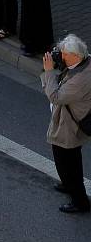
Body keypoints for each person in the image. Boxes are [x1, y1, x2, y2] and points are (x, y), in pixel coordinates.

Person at [42, 34, 91, 213]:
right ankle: (68, 184)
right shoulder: (85, 61)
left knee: (67, 161)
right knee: (68, 159)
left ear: (75, 56)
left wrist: (48, 72)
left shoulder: (80, 80)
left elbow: (56, 96)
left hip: (69, 126)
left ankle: (79, 200)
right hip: (72, 121)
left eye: (64, 54)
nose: (60, 57)